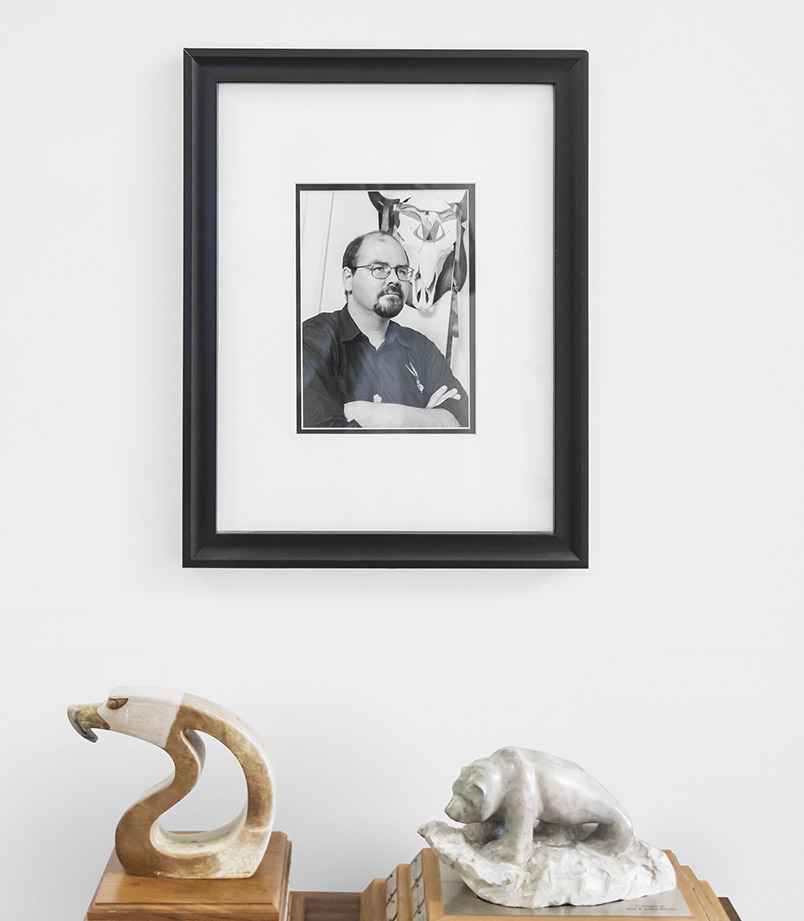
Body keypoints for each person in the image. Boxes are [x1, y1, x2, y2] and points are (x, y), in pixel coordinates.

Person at [301, 231, 469, 429]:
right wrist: (427, 418)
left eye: (402, 271)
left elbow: (462, 419)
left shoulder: (421, 347)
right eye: (379, 268)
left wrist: (382, 416)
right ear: (348, 278)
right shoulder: (312, 338)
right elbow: (324, 440)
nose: (394, 280)